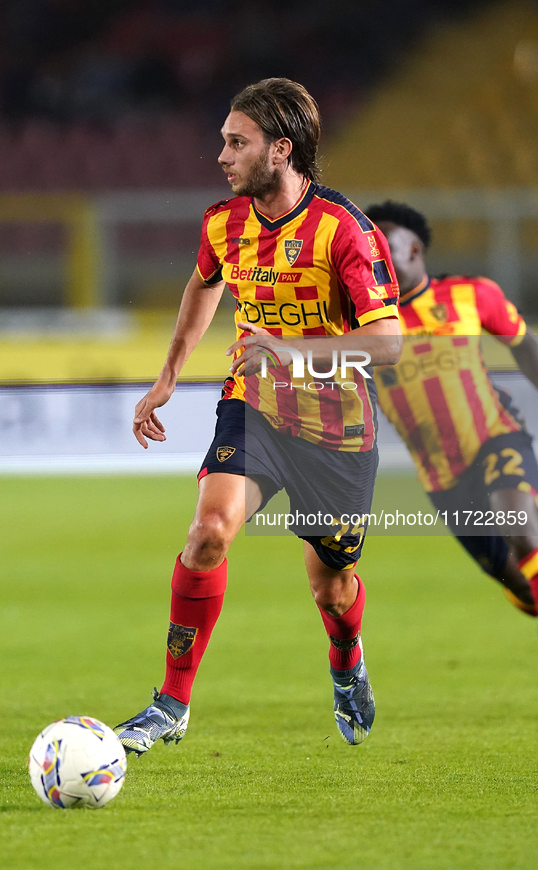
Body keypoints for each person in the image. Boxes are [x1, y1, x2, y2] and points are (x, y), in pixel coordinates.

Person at [112, 78, 402, 756]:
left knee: (330, 589)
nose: (221, 154)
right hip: (255, 407)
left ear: (280, 149)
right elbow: (203, 282)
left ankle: (345, 656)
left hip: (337, 428)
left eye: (235, 142)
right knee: (208, 531)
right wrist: (166, 380)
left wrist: (290, 347)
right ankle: (171, 704)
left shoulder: (343, 230)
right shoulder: (224, 222)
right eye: (222, 140)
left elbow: (387, 342)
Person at [366, 200, 538, 635]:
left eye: (385, 249)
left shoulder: (470, 294)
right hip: (441, 476)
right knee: (522, 584)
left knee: (521, 530)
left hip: (496, 438)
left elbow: (523, 344)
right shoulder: (361, 325)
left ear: (414, 251)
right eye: (369, 252)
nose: (376, 261)